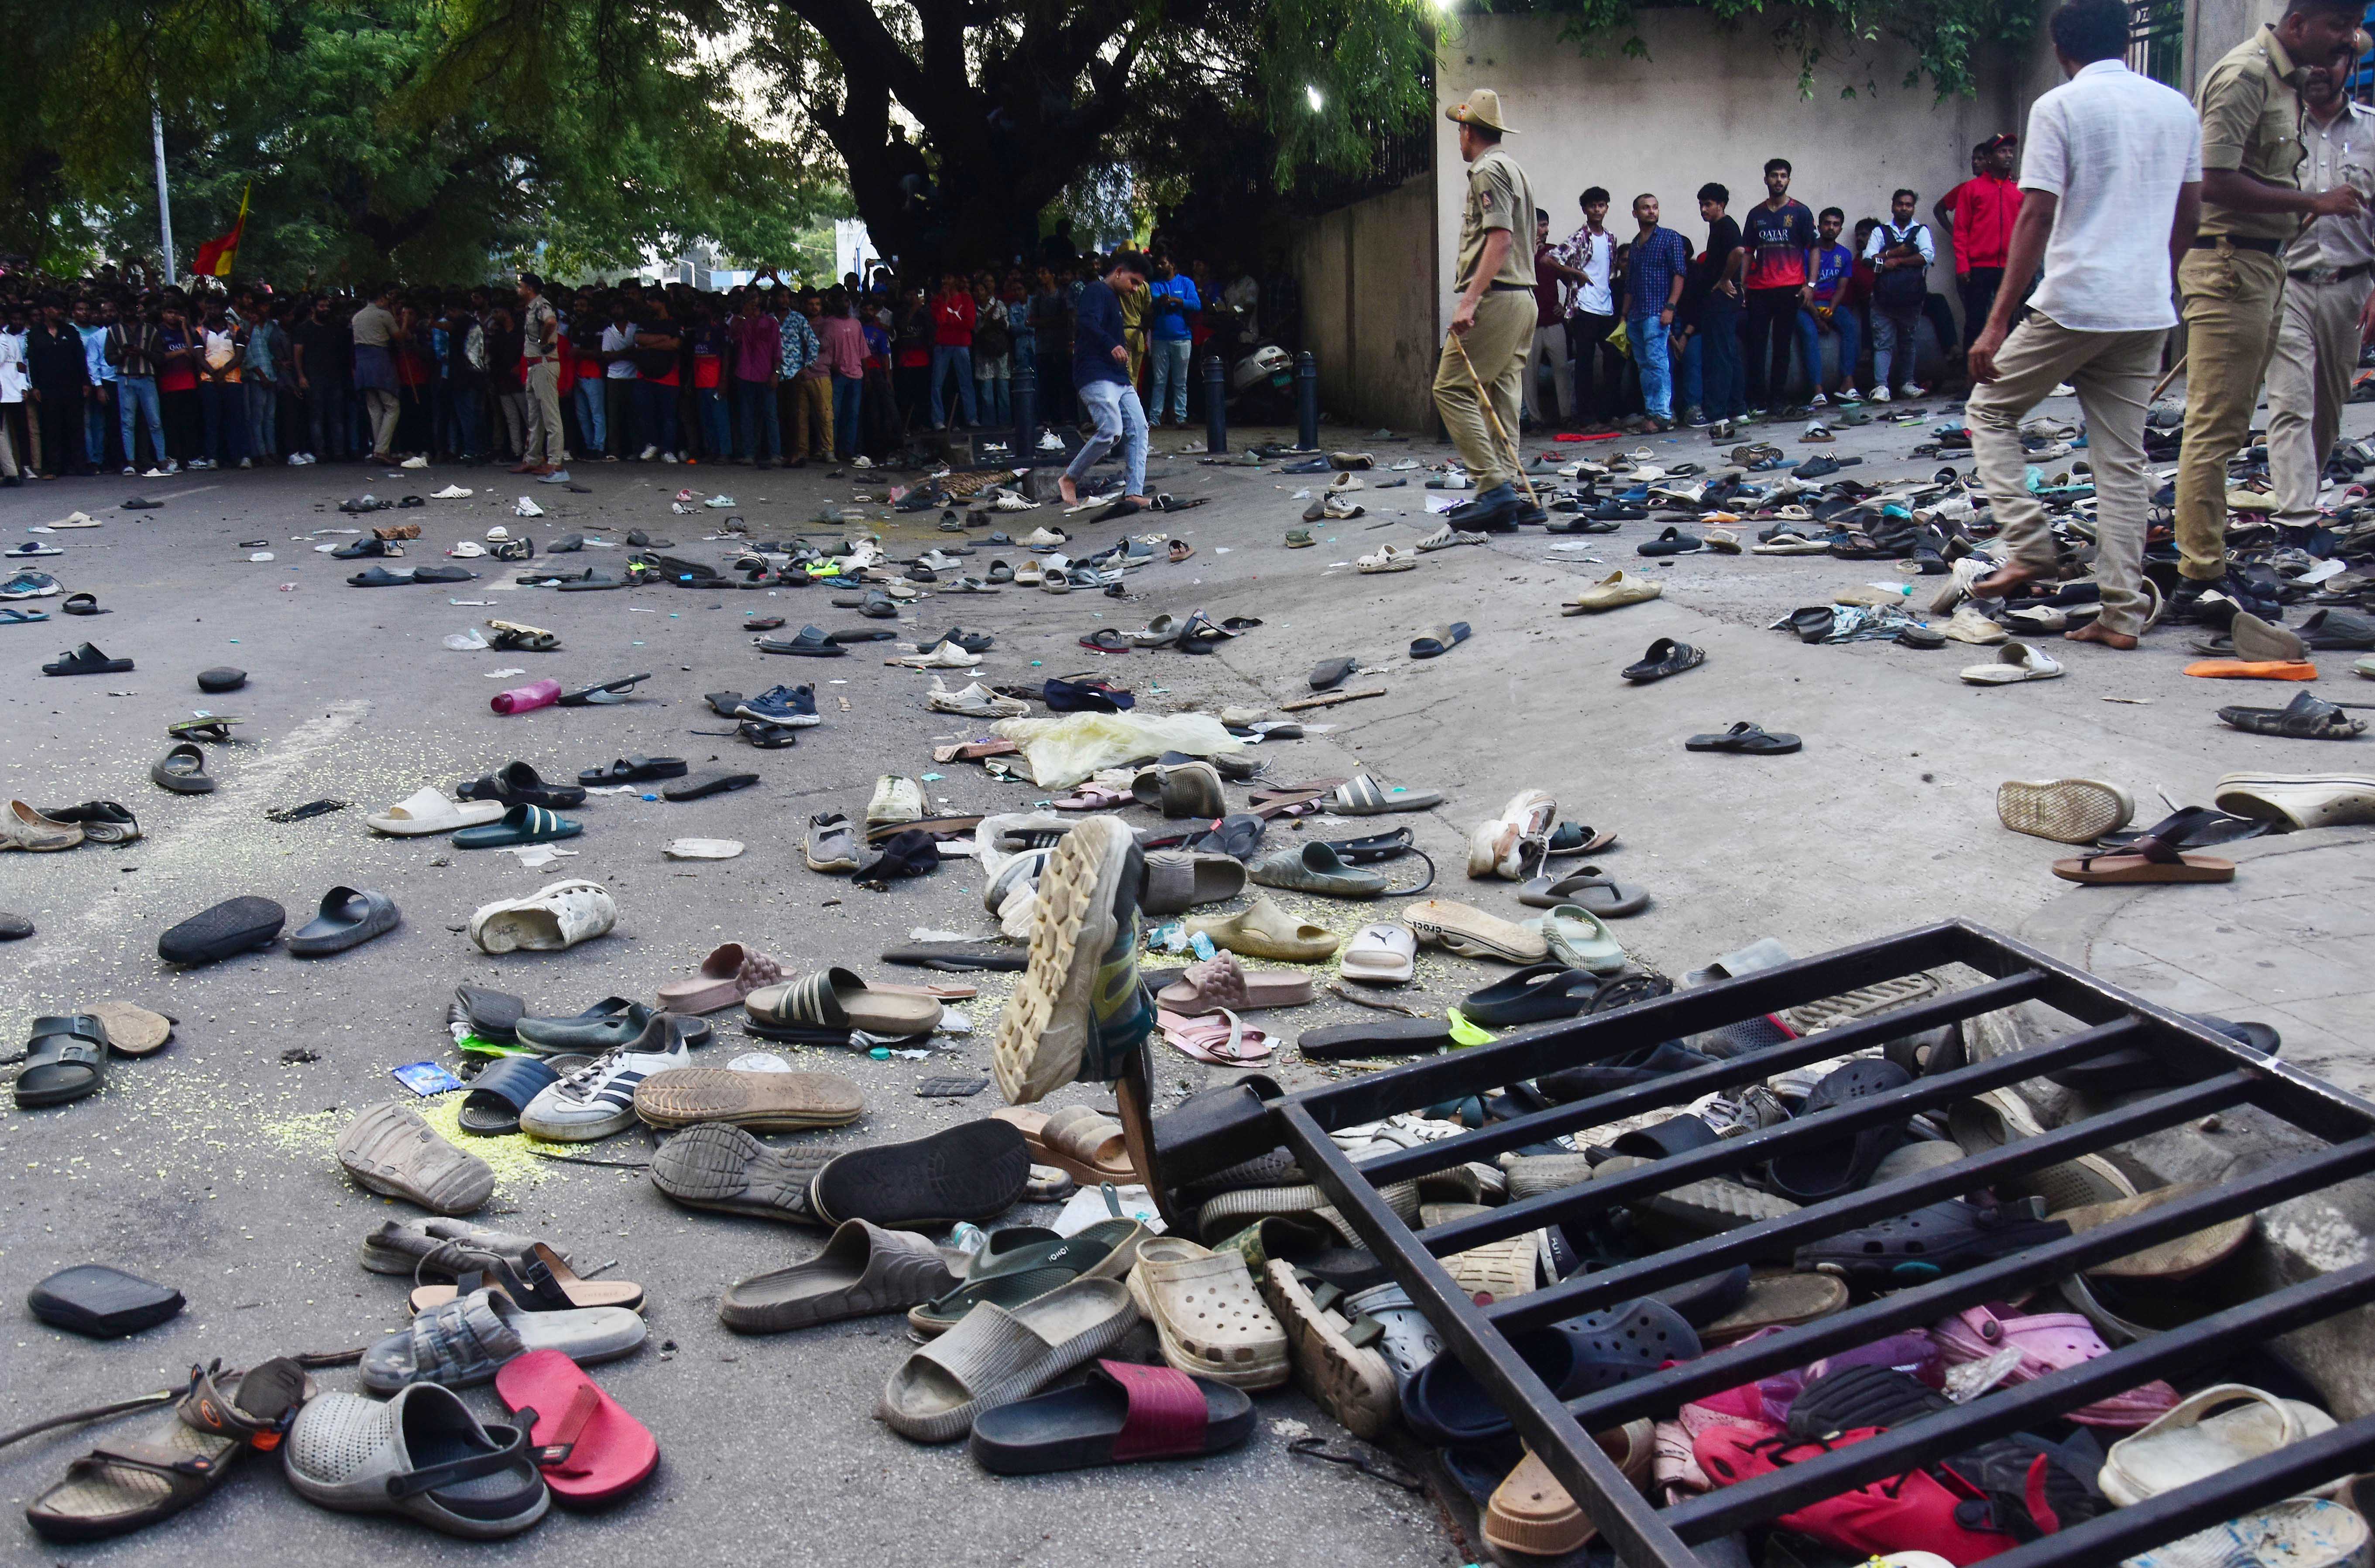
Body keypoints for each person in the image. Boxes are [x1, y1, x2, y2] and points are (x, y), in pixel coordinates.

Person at [1967, 0, 2202, 651]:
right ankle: (2121, 615)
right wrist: (2159, 277)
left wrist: (1993, 325)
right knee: (2121, 464)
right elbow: (2190, 216)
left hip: (2074, 300)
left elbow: (2035, 217)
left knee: (1988, 409)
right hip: (2145, 306)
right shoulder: (2174, 108)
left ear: (2060, 48)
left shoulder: (2058, 107)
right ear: (2126, 38)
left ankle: (2027, 544)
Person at [2176, 0, 2368, 604]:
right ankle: (2200, 571)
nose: (2345, 43)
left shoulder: (2279, 84)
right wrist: (2309, 204)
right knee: (2223, 425)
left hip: (2277, 269)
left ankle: (2210, 559)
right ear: (2298, 24)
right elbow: (2212, 178)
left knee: (2241, 424)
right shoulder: (2247, 76)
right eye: (2337, 29)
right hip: (2236, 266)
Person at [2268, 58, 2375, 529]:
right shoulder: (2276, 127)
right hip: (2288, 282)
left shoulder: (2373, 132)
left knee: (2327, 408)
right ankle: (2296, 516)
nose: (2318, 70)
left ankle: (2304, 493)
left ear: (2348, 65)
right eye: (2308, 61)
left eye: (2329, 60)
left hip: (2350, 288)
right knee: (2290, 402)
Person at [1433, 89, 1541, 526]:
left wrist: (1470, 300)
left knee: (1450, 389)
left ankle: (1493, 488)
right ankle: (1513, 495)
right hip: (1522, 299)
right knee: (1501, 396)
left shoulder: (1488, 170)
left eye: (1459, 130)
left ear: (1467, 130)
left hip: (1498, 297)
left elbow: (1500, 239)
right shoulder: (1513, 168)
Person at [1060, 250, 1152, 512]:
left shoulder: (1114, 297)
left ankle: (1134, 492)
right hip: (1095, 373)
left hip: (1118, 377)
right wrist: (1112, 345)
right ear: (1119, 272)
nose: (1135, 289)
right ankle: (1070, 478)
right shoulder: (1095, 291)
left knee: (1139, 428)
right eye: (1133, 282)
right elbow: (1087, 322)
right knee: (1112, 431)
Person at [1742, 157, 1817, 413]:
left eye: (1784, 176)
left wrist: (1811, 284)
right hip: (1760, 289)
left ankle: (1777, 400)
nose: (1779, 180)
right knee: (1757, 345)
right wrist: (1743, 285)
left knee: (1783, 345)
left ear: (1789, 180)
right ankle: (1757, 401)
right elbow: (1747, 252)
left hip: (1790, 288)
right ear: (1766, 180)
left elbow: (1814, 249)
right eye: (1774, 176)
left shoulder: (1801, 212)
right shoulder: (1756, 214)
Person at [1620, 194, 1692, 433]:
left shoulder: (1670, 237)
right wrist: (1624, 316)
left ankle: (1662, 415)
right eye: (1645, 208)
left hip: (1657, 312)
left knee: (1658, 362)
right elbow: (1630, 284)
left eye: (1655, 208)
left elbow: (1679, 274)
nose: (1651, 212)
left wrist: (1670, 308)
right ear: (1635, 213)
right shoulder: (1636, 244)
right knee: (1644, 366)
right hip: (1637, 314)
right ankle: (1652, 412)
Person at [1949, 135, 2025, 353]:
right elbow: (1961, 230)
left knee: (2009, 323)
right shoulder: (1971, 189)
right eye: (2002, 152)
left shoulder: (2018, 189)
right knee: (1975, 323)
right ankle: (1971, 380)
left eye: (2011, 152)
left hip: (2009, 268)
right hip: (1979, 268)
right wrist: (1963, 265)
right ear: (1990, 158)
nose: (2009, 156)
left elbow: (2024, 230)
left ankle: (2005, 378)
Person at [1866, 189, 1938, 401]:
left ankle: (1907, 383)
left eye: (1908, 205)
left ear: (1913, 208)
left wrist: (1895, 262)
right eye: (1900, 204)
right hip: (1883, 299)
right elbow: (1869, 260)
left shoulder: (1921, 231)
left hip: (1911, 299)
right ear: (1893, 206)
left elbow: (1926, 257)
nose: (1904, 208)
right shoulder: (1881, 231)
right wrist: (1894, 254)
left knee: (1908, 342)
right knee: (1883, 343)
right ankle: (1881, 387)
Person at [1560, 187, 1622, 429]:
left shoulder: (1610, 238)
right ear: (1585, 210)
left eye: (1602, 205)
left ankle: (1607, 414)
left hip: (1606, 306)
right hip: (1584, 307)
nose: (1598, 210)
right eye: (1593, 206)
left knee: (1615, 358)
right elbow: (1551, 259)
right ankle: (1586, 418)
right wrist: (1575, 274)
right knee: (1584, 362)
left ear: (1607, 208)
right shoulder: (1578, 238)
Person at [1695, 183, 1748, 434]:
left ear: (1721, 205)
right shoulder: (1717, 228)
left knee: (1720, 355)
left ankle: (1718, 413)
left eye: (1709, 205)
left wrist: (1726, 278)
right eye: (1701, 205)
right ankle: (1738, 409)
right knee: (1729, 352)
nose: (1704, 210)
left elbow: (1739, 251)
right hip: (1724, 298)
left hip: (1722, 298)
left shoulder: (1726, 225)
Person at [1796, 208, 1862, 405]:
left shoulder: (1844, 255)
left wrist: (1831, 310)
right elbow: (1802, 288)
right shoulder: (1806, 253)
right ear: (1819, 225)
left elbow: (1841, 287)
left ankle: (1847, 383)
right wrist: (1817, 318)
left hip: (1829, 304)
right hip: (1804, 306)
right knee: (1809, 332)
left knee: (1851, 326)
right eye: (1827, 223)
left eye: (1836, 225)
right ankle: (1817, 390)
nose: (1831, 228)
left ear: (1841, 229)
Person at [1526, 209, 1582, 425]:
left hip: (1553, 321)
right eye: (1541, 225)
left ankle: (1566, 416)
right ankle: (1534, 420)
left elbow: (1572, 281)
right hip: (1528, 324)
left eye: (1547, 225)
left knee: (1562, 369)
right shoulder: (1518, 253)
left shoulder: (1553, 253)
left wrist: (1567, 307)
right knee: (1528, 374)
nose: (1545, 230)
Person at [26, 298, 93, 476]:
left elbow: (80, 358)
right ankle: (54, 468)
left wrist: (86, 382)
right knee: (51, 427)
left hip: (72, 385)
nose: (60, 312)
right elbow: (32, 362)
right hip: (48, 388)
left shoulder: (70, 331)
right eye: (56, 308)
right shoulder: (35, 334)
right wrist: (36, 386)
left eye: (61, 308)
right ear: (47, 309)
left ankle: (80, 465)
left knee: (76, 426)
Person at [106, 306, 168, 474]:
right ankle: (131, 463)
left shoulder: (150, 330)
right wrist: (124, 354)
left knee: (155, 421)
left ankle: (162, 460)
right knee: (128, 422)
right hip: (125, 379)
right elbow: (110, 359)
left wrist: (142, 352)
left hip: (146, 378)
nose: (128, 312)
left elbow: (160, 357)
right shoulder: (114, 331)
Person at [1144, 253, 1200, 426]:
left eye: (1163, 264)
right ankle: (1154, 419)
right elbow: (1151, 301)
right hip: (1160, 338)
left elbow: (1196, 305)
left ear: (1173, 265)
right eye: (1158, 264)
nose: (1159, 267)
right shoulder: (1155, 285)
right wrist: (1160, 302)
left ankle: (1180, 418)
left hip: (1183, 338)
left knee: (1180, 382)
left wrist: (1176, 300)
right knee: (1159, 382)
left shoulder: (1186, 283)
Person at [518, 272, 565, 476]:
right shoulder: (532, 308)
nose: (518, 290)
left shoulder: (541, 305)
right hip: (535, 366)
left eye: (521, 286)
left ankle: (555, 461)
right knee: (535, 417)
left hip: (544, 364)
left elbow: (551, 322)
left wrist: (543, 342)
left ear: (529, 288)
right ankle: (533, 458)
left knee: (550, 415)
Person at [351, 284, 402, 464]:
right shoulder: (384, 315)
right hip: (380, 362)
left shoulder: (357, 317)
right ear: (381, 299)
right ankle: (382, 449)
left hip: (362, 365)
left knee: (374, 409)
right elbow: (398, 337)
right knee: (392, 406)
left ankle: (378, 449)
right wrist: (401, 321)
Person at [729, 291, 780, 465]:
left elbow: (777, 351)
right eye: (751, 303)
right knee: (747, 416)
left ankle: (775, 454)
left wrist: (776, 373)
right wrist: (745, 315)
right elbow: (732, 335)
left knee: (770, 416)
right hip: (745, 374)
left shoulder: (771, 323)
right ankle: (749, 453)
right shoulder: (740, 322)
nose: (754, 306)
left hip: (766, 374)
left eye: (756, 303)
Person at [819, 289, 867, 462]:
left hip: (856, 374)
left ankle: (848, 450)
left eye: (847, 301)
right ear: (833, 303)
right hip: (837, 374)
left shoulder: (856, 324)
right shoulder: (829, 324)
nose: (845, 304)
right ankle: (834, 448)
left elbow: (863, 352)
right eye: (842, 301)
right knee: (835, 414)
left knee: (853, 414)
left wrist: (865, 375)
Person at [927, 273, 977, 429]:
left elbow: (970, 323)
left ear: (955, 280)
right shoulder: (937, 301)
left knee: (966, 383)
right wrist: (947, 301)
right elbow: (940, 320)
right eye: (944, 278)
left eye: (949, 278)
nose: (945, 281)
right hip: (943, 345)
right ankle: (938, 420)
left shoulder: (966, 299)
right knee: (937, 383)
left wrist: (951, 322)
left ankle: (972, 418)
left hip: (961, 344)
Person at [74, 299, 114, 473]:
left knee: (100, 422)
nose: (84, 313)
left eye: (87, 309)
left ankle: (100, 457)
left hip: (98, 380)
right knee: (87, 422)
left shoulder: (98, 332)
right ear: (73, 312)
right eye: (80, 309)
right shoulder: (71, 330)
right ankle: (90, 459)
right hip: (81, 381)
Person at [971, 278, 1012, 428]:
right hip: (983, 353)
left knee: (1003, 390)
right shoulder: (973, 308)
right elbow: (975, 330)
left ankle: (1005, 422)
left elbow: (1006, 325)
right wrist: (993, 323)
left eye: (981, 290)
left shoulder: (999, 304)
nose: (979, 293)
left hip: (1001, 351)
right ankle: (989, 424)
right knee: (986, 392)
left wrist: (988, 325)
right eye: (976, 290)